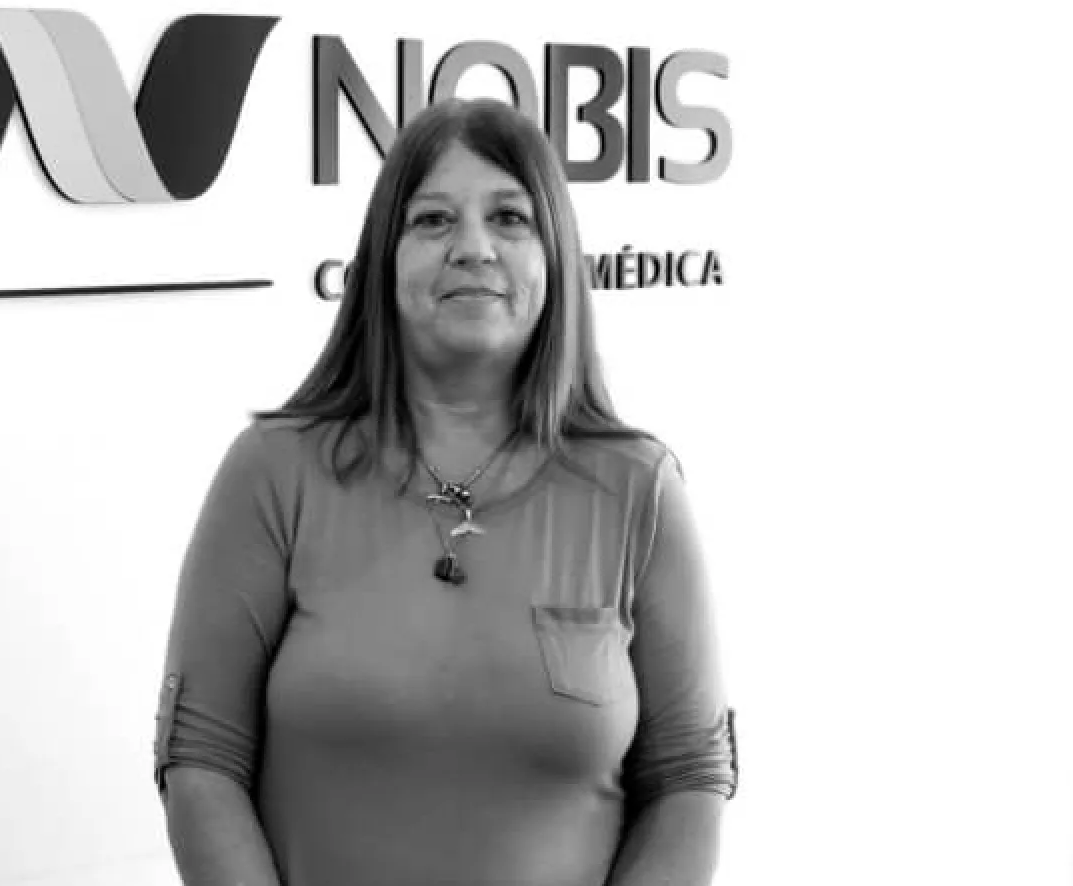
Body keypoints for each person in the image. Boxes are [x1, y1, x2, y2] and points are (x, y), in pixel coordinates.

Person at [153, 97, 737, 886]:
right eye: (432, 221)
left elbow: (689, 774)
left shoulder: (640, 488)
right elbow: (201, 758)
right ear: (382, 260)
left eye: (510, 218)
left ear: (555, 257)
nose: (473, 248)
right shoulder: (273, 472)